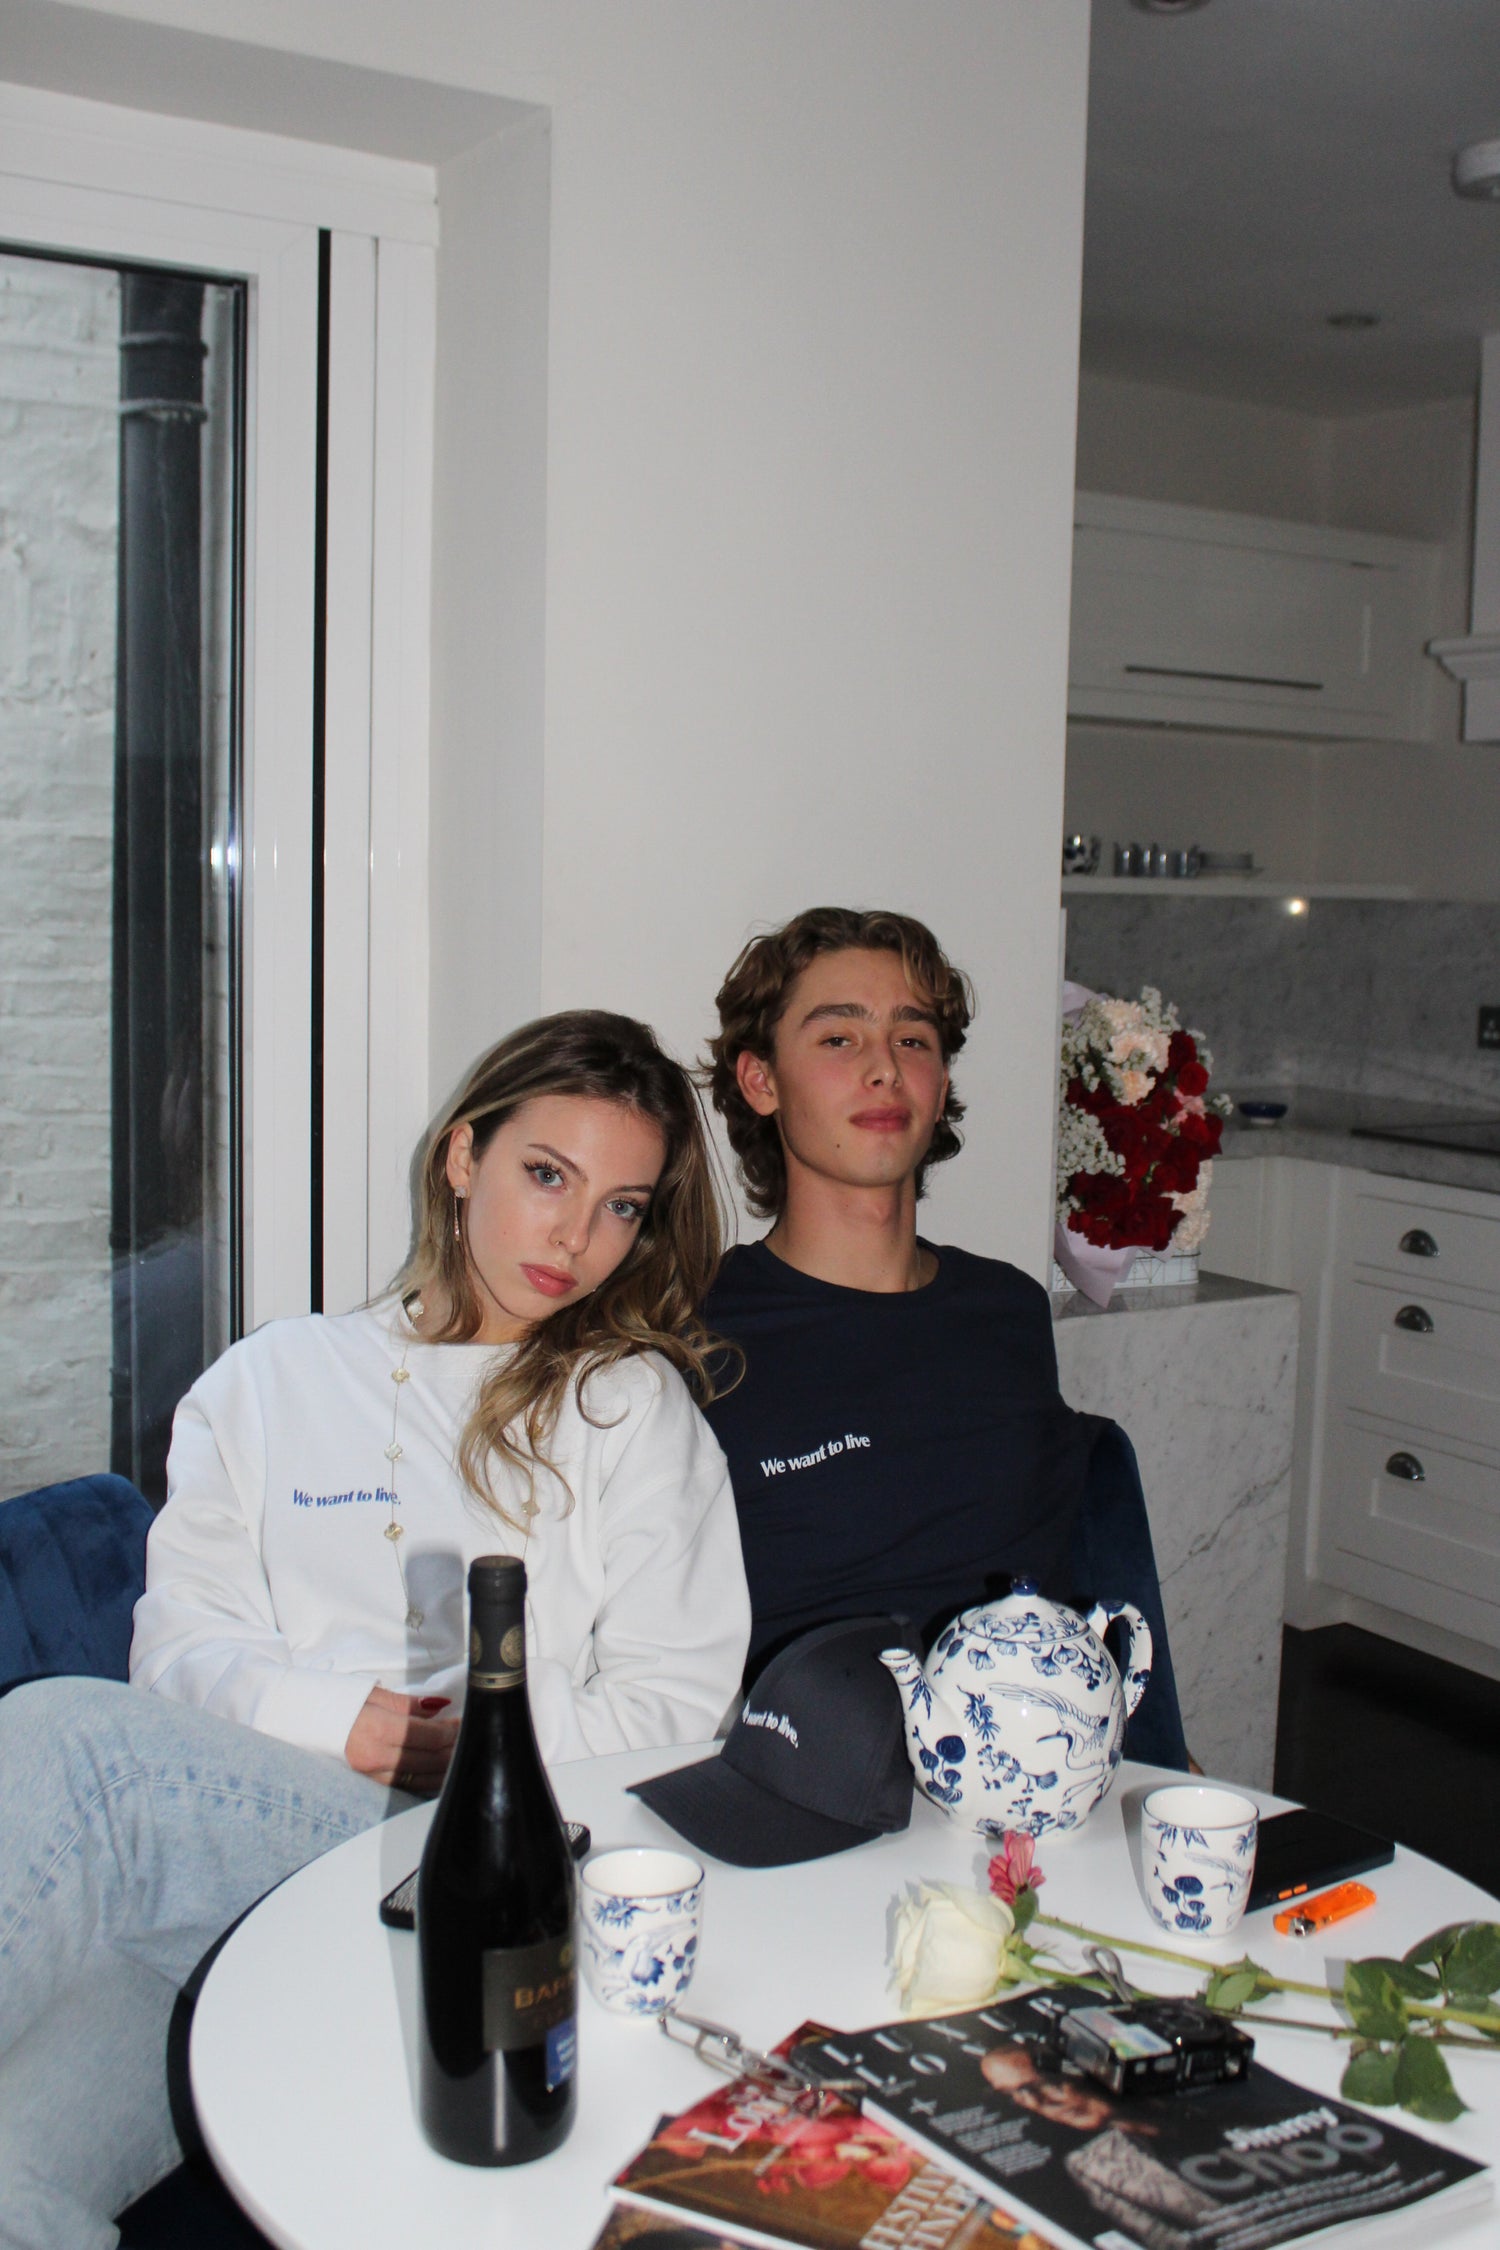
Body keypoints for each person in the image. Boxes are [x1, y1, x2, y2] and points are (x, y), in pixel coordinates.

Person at [0, 1009, 750, 2250]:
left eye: (621, 1206)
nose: (577, 1236)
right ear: (462, 1156)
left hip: (478, 1870)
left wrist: (474, 1749)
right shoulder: (270, 1381)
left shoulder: (628, 1406)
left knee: (74, 1749)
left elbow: (676, 1713)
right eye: (546, 1176)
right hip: (220, 1878)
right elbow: (175, 1653)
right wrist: (339, 1721)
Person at [700, 908, 1185, 1776]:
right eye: (839, 1038)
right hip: (817, 1784)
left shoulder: (1007, 1310)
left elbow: (1067, 1583)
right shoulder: (699, 1337)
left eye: (913, 1039)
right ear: (760, 1081)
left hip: (1038, 1778)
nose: (885, 1067)